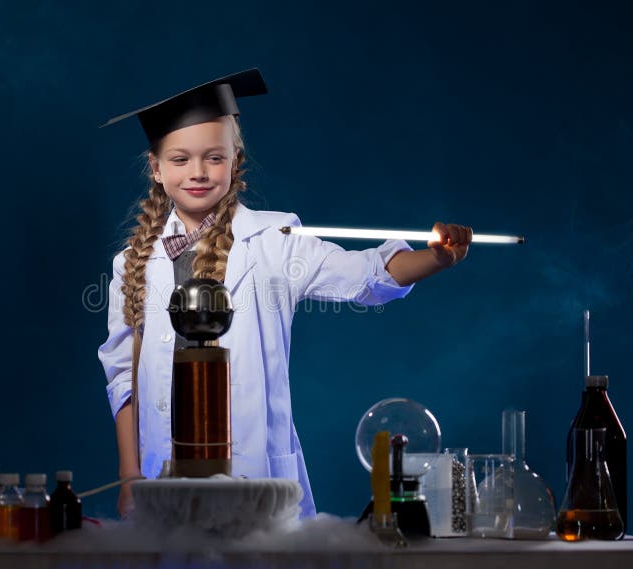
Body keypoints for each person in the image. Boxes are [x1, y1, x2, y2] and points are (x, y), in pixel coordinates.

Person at [97, 69, 472, 519]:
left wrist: (436, 258)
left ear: (236, 161)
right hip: (165, 477)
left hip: (256, 479)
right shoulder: (131, 263)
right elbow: (124, 383)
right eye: (180, 160)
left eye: (213, 158)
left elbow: (367, 273)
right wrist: (129, 475)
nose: (197, 172)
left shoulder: (276, 242)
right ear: (156, 169)